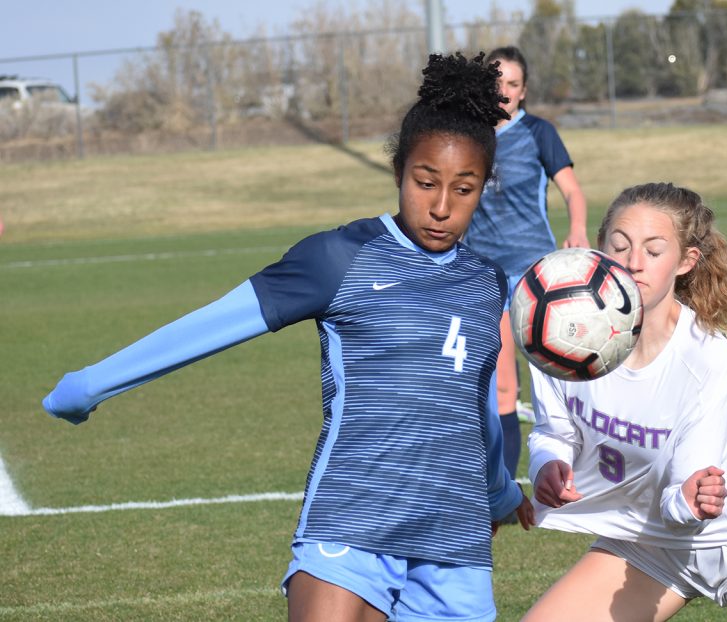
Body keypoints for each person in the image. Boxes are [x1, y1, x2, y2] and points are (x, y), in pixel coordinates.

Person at [42, 52, 534, 622]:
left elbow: (469, 408)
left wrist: (500, 490)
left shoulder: (484, 282)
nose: (442, 207)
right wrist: (91, 384)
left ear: (484, 189)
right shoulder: (339, 259)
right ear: (399, 170)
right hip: (352, 519)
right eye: (426, 183)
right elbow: (211, 325)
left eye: (465, 189)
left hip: (454, 541)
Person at [523, 183, 727, 621]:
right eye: (620, 245)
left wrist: (691, 501)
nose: (634, 263)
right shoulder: (557, 333)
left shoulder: (704, 357)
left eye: (654, 251)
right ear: (599, 249)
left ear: (685, 262)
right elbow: (551, 433)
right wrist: (547, 467)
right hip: (642, 540)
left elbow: (684, 487)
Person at [463, 45, 590, 483]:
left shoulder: (539, 132)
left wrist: (576, 228)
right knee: (502, 387)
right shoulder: (469, 135)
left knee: (559, 377)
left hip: (536, 277)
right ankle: (498, 484)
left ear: (524, 91)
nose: (504, 92)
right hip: (485, 274)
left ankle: (583, 463)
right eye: (496, 83)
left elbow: (572, 190)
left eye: (512, 84)